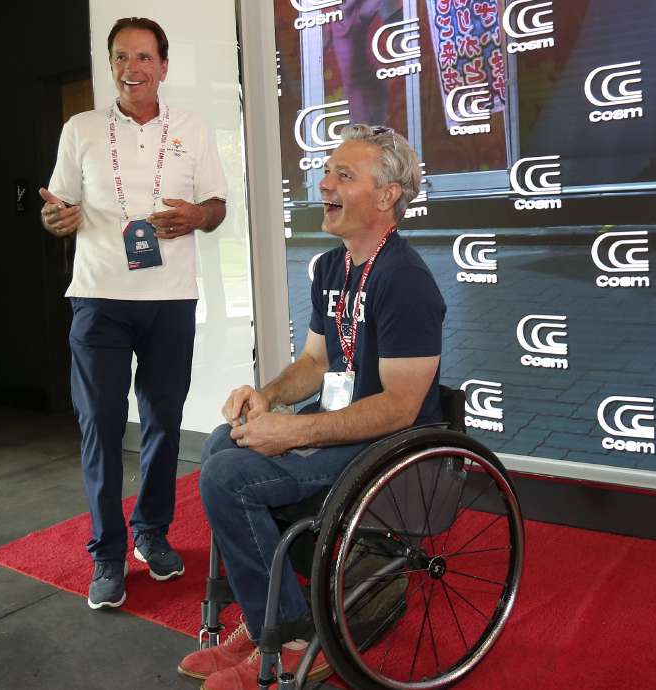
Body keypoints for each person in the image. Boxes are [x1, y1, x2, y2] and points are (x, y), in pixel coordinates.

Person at [177, 124, 445, 689]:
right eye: (327, 172)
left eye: (343, 176)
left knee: (229, 476)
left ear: (388, 194)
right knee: (224, 441)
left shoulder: (407, 280)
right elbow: (317, 364)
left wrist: (297, 435)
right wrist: (267, 396)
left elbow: (400, 406)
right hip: (342, 431)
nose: (323, 184)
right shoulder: (331, 268)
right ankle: (263, 619)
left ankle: (292, 637)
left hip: (388, 448)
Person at [39, 17, 228, 609]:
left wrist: (198, 217)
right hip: (98, 297)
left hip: (171, 297)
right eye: (121, 57)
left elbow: (218, 205)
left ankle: (150, 531)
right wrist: (54, 221)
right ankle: (107, 553)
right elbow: (58, 207)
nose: (132, 69)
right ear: (112, 65)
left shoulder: (193, 127)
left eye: (144, 57)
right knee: (99, 427)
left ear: (163, 67)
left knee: (164, 422)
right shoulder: (81, 129)